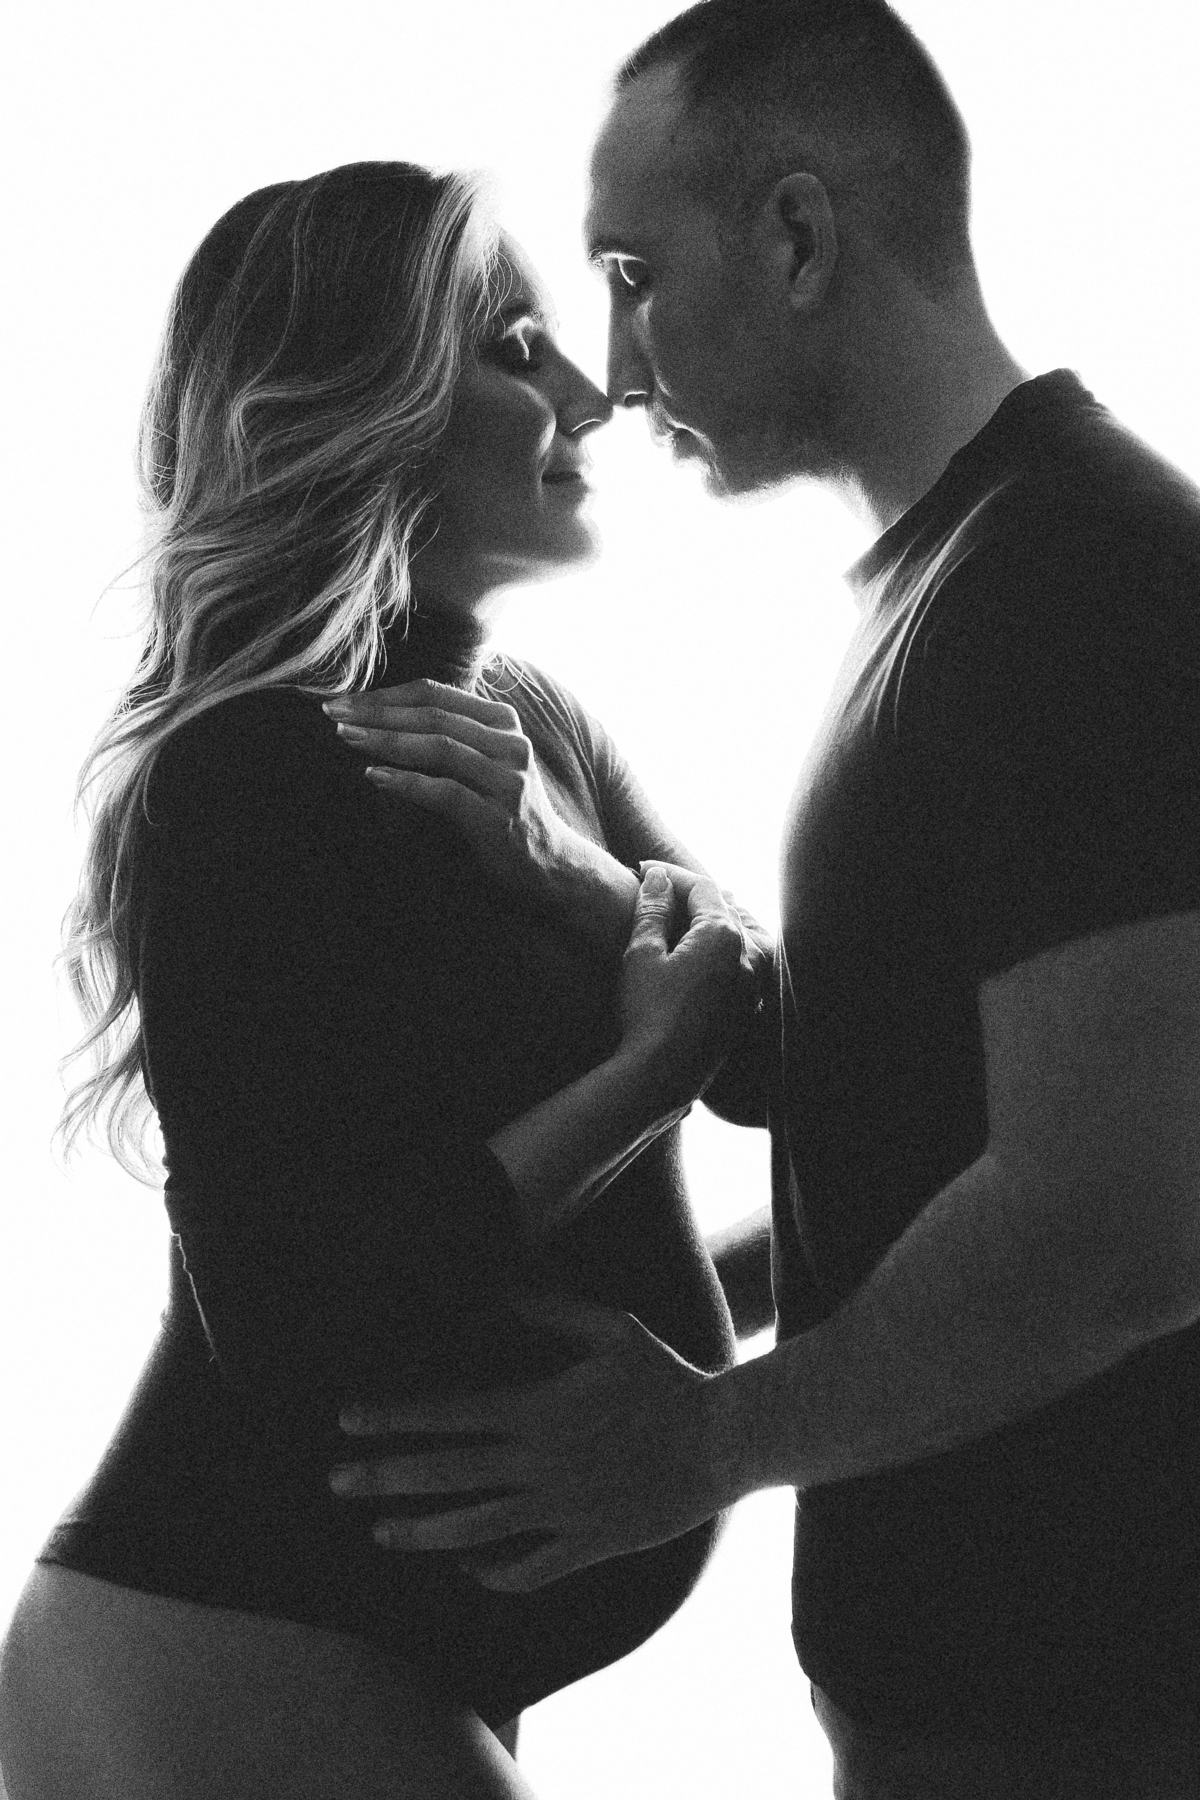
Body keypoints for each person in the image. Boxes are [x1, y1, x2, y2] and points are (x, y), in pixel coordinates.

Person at [322, 5, 1200, 1796]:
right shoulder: (944, 585)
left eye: (635, 278)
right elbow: (899, 1083)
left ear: (799, 238)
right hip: (966, 1695)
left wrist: (702, 1442)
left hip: (1088, 1712)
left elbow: (1122, 1222)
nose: (616, 371)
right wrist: (587, 896)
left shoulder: (1082, 579)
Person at [0, 160, 768, 1799]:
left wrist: (585, 893)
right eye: (516, 348)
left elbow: (781, 1056)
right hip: (222, 1639)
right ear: (367, 408)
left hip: (346, 1660)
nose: (592, 397)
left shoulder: (533, 727)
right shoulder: (251, 774)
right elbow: (296, 1314)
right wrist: (642, 1082)